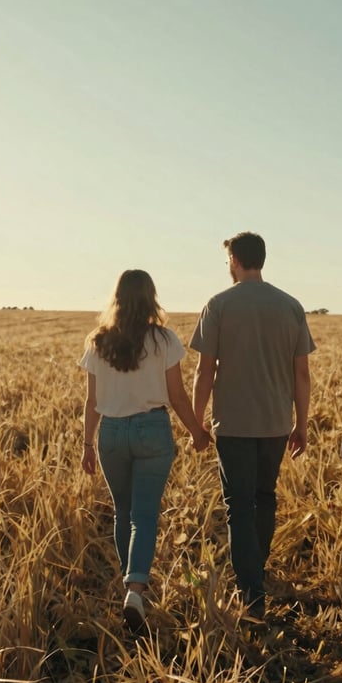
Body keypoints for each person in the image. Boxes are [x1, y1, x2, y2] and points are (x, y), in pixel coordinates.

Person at [190, 232, 316, 622]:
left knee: (238, 506)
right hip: (276, 423)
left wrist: (196, 421)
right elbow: (302, 374)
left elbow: (204, 370)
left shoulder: (219, 305)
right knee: (265, 497)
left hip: (233, 424)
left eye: (228, 259)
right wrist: (302, 423)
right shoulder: (290, 306)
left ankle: (251, 591)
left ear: (234, 260)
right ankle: (254, 571)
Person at [80, 269, 211, 632]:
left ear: (117, 298)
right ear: (151, 297)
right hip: (152, 430)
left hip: (110, 432)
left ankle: (130, 586)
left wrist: (87, 444)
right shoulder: (164, 340)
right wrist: (197, 433)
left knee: (124, 513)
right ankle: (135, 590)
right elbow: (178, 396)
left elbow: (92, 401)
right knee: (145, 516)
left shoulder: (98, 341)